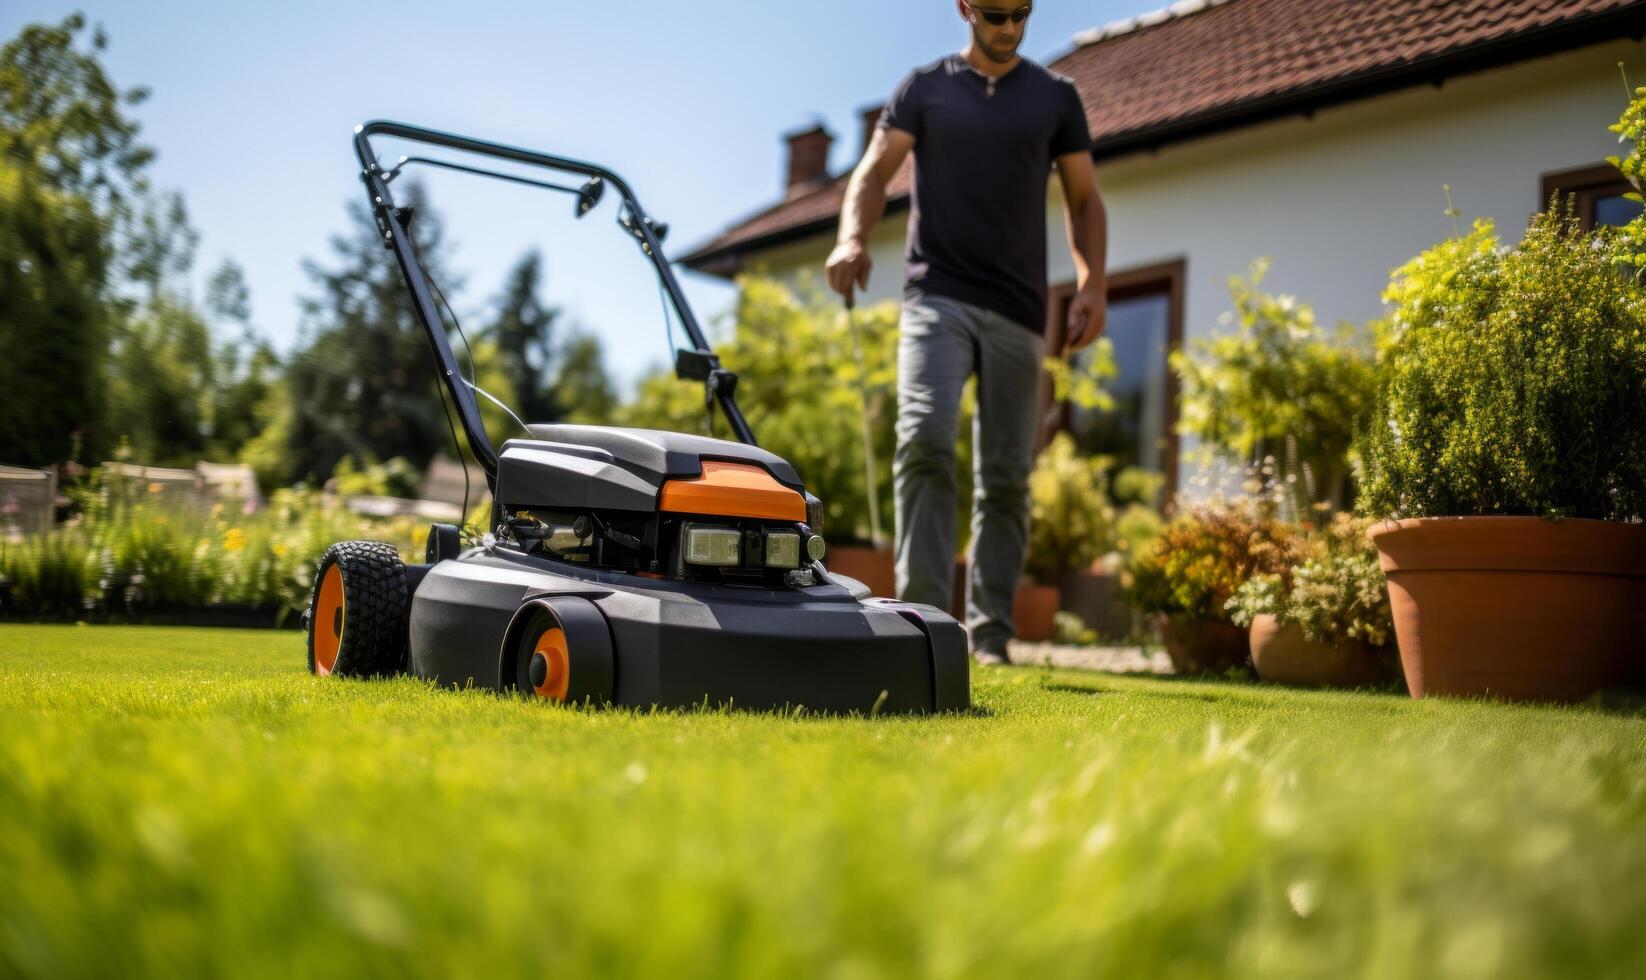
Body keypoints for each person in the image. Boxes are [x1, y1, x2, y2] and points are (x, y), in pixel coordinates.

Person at [825, 0, 1109, 665]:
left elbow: (1085, 198)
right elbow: (872, 172)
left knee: (1007, 476)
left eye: (1021, 14)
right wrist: (850, 237)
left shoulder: (1055, 97)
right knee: (924, 442)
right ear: (964, 7)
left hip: (1018, 308)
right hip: (937, 297)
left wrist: (1092, 282)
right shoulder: (925, 89)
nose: (1008, 27)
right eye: (994, 13)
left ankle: (990, 638)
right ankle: (923, 625)